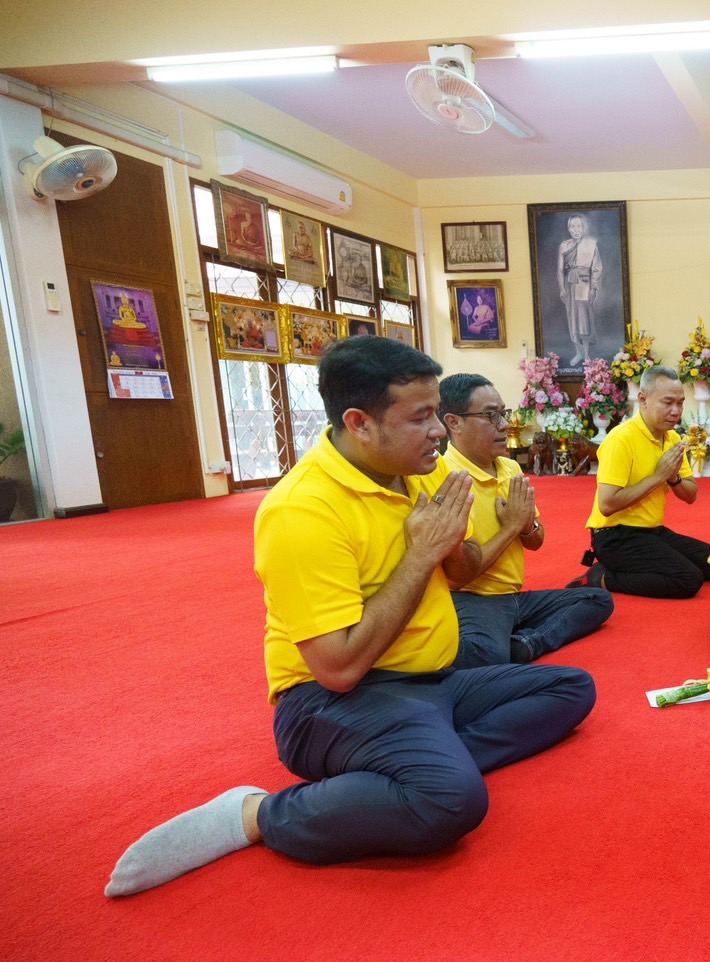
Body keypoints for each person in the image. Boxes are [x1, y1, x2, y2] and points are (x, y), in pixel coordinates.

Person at [105, 337, 595, 897]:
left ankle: (410, 760)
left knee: (569, 689)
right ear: (360, 423)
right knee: (451, 801)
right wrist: (420, 554)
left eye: (438, 413)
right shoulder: (300, 510)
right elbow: (337, 669)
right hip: (331, 702)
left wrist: (458, 542)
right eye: (422, 417)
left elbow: (460, 576)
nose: (440, 432)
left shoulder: (421, 470)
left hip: (430, 682)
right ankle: (256, 815)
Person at [438, 373, 613, 667]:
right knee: (483, 656)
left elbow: (536, 541)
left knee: (597, 601)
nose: (505, 425)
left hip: (515, 596)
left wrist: (525, 525)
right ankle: (509, 640)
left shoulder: (508, 467)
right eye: (491, 416)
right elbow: (459, 576)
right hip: (473, 598)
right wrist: (510, 527)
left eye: (503, 414)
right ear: (453, 422)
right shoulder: (445, 478)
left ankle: (526, 644)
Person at [575, 365, 710, 597]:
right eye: (667, 403)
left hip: (651, 531)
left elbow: (691, 495)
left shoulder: (672, 438)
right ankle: (602, 578)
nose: (676, 411)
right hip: (614, 536)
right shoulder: (621, 439)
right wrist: (658, 476)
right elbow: (607, 505)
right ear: (643, 399)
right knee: (688, 579)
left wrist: (673, 477)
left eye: (680, 403)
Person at [557, 213, 602, 366]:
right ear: (568, 228)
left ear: (583, 228)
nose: (576, 229)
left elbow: (596, 268)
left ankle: (587, 354)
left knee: (584, 321)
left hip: (585, 284)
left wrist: (593, 288)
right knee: (573, 321)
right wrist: (562, 288)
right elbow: (560, 270)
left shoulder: (591, 244)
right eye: (572, 226)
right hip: (570, 285)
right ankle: (578, 353)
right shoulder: (564, 245)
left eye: (579, 226)